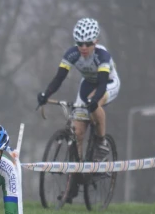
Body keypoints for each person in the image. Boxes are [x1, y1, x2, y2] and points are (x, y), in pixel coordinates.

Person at [36, 17, 121, 164]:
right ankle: (77, 172)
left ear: (96, 42)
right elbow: (59, 78)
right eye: (79, 43)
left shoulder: (102, 56)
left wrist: (94, 101)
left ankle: (101, 143)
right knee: (78, 131)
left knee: (95, 102)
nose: (83, 47)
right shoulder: (72, 54)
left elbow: (101, 84)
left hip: (108, 83)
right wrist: (46, 94)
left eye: (88, 43)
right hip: (87, 84)